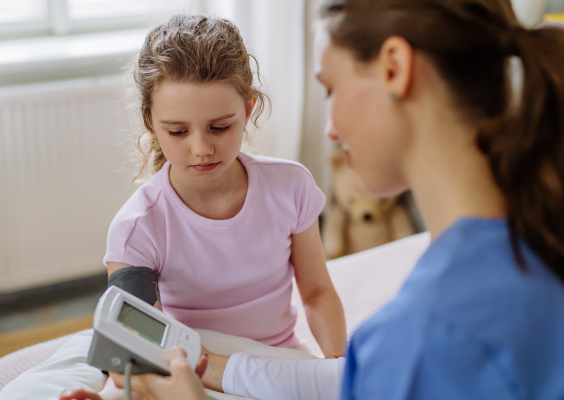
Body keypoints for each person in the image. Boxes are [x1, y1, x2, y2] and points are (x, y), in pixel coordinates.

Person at [64, 0, 564, 398]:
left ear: (395, 68)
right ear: (153, 122)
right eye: (178, 130)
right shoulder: (534, 250)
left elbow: (328, 318)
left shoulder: (416, 339)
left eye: (329, 87)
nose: (328, 127)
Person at [61, 14, 346, 400]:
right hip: (193, 369)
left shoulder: (290, 186)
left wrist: (336, 361)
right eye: (178, 132)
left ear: (248, 109)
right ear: (150, 121)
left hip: (274, 363)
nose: (201, 148)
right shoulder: (138, 226)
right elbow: (139, 344)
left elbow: (316, 292)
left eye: (220, 127)